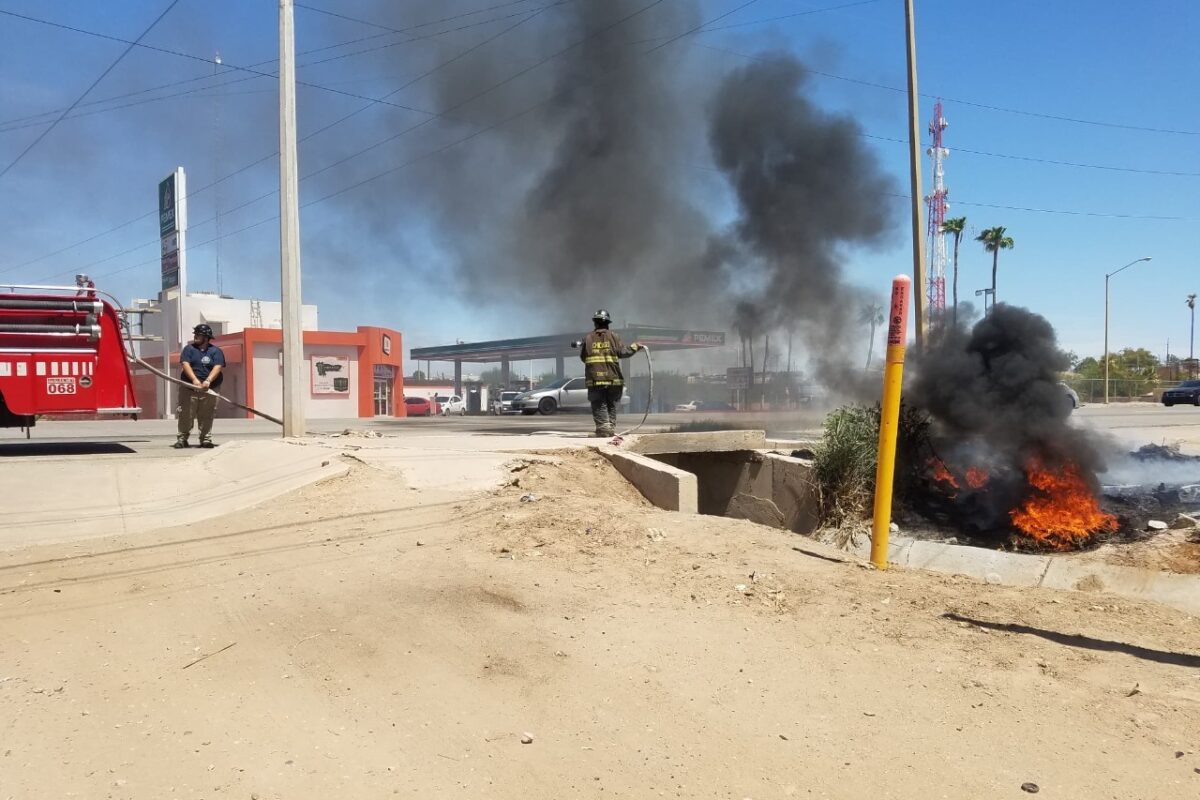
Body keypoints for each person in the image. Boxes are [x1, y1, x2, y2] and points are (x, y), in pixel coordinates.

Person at [578, 309, 642, 437]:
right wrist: (635, 346)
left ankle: (604, 430)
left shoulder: (588, 338)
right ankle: (610, 428)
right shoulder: (614, 336)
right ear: (607, 323)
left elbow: (583, 358)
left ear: (595, 323)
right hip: (613, 379)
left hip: (595, 379)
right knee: (611, 404)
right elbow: (623, 353)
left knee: (599, 404)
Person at [174, 324, 225, 449]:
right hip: (189, 387)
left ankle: (205, 439)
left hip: (209, 389)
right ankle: (182, 439)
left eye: (198, 334)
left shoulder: (216, 351)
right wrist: (194, 380)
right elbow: (185, 364)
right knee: (186, 413)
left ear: (206, 337)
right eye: (195, 334)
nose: (195, 336)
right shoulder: (189, 349)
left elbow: (218, 366)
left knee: (207, 414)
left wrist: (208, 380)